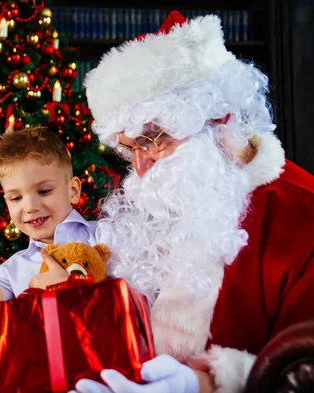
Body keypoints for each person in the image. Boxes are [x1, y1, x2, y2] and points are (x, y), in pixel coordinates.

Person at [72, 10, 314, 393]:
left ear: (220, 119)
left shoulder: (302, 214)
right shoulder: (158, 201)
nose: (140, 167)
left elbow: (302, 368)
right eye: (128, 147)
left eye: (153, 138)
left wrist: (204, 383)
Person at [0, 127, 96, 310]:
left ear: (73, 191)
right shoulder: (11, 272)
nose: (30, 207)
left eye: (44, 191)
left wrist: (74, 288)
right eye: (16, 198)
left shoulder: (107, 237)